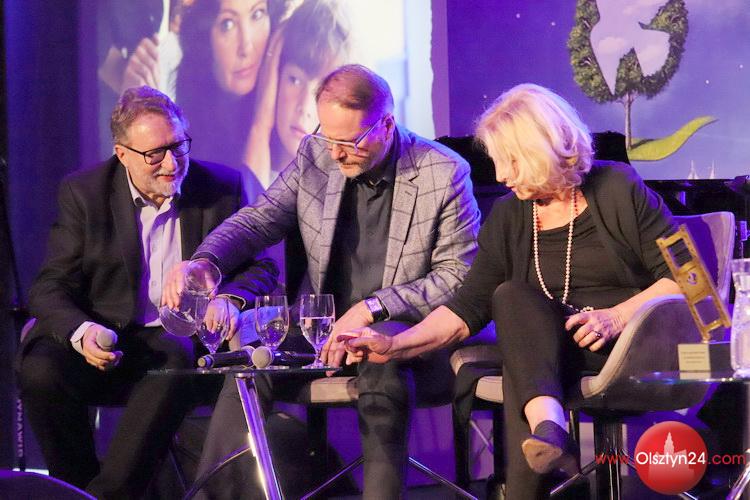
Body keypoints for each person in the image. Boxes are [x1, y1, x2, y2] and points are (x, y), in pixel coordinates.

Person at [342, 83, 687, 499]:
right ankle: (549, 427)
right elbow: (465, 309)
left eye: (510, 162)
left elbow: (687, 278)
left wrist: (615, 317)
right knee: (509, 297)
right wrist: (394, 344)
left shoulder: (618, 187)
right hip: (549, 354)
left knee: (522, 369)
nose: (501, 176)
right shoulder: (509, 215)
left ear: (543, 149)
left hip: (628, 344)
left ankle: (548, 435)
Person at [162, 64, 481, 498]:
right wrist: (205, 262)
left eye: (349, 142)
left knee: (381, 360)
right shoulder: (315, 155)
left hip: (402, 329)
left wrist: (372, 308)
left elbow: (457, 277)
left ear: (386, 125)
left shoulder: (442, 172)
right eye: (328, 138)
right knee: (251, 358)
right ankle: (213, 496)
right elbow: (259, 220)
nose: (336, 153)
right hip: (320, 325)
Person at [16, 86, 279, 499]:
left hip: (176, 347)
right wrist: (82, 332)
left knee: (173, 356)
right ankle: (74, 489)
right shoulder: (84, 193)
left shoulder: (221, 187)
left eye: (179, 146)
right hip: (104, 336)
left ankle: (109, 496)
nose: (172, 164)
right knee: (40, 370)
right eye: (155, 154)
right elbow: (50, 286)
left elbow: (261, 266)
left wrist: (228, 299)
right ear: (122, 154)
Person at [243, 0, 352, 192]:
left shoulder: (343, 190)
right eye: (294, 80)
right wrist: (260, 127)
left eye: (323, 90)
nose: (305, 107)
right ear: (273, 76)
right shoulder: (234, 166)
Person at [176, 0, 287, 186]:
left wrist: (262, 125)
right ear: (203, 38)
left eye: (257, 14)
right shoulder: (182, 129)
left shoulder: (291, 113)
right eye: (227, 24)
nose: (246, 47)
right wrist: (260, 127)